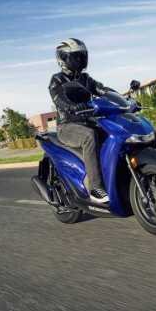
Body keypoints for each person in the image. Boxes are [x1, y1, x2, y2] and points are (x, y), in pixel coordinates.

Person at [49, 38, 112, 204]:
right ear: (63, 59)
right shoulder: (57, 80)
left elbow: (101, 89)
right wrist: (71, 107)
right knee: (89, 136)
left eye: (82, 56)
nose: (80, 60)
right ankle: (95, 189)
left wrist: (120, 98)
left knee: (113, 132)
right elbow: (59, 98)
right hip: (68, 126)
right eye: (76, 56)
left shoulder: (86, 78)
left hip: (88, 122)